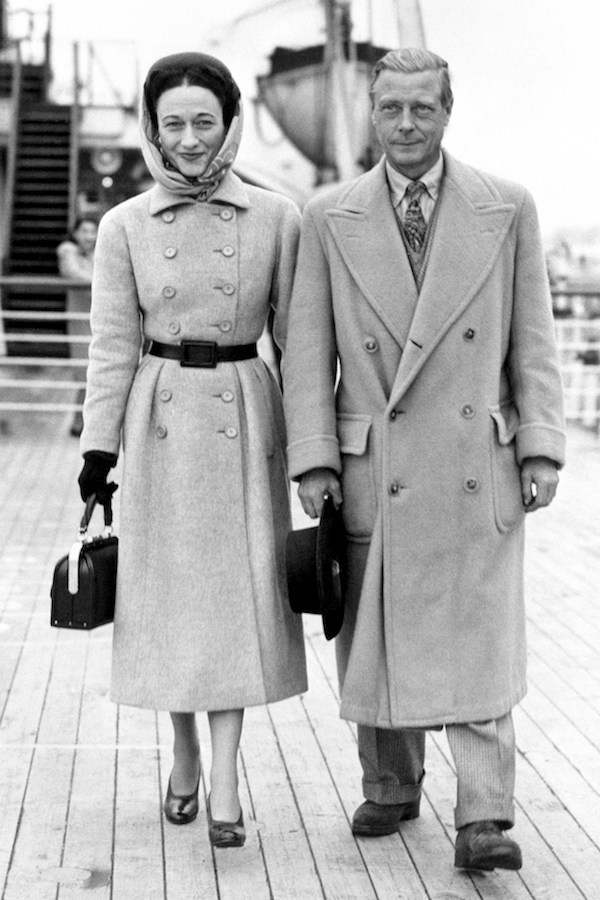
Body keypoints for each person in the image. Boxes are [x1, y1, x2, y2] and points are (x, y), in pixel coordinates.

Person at [282, 48, 566, 872]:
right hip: (376, 463)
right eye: (392, 109)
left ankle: (485, 815)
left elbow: (534, 344)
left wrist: (542, 445)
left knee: (478, 636)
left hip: (478, 458)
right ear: (371, 111)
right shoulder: (328, 216)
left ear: (449, 111)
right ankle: (391, 783)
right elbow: (307, 355)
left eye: (423, 110)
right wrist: (314, 460)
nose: (407, 125)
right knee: (377, 626)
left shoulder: (506, 207)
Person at [77, 52, 307, 848]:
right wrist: (97, 453)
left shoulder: (279, 218)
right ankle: (181, 752)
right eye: (172, 122)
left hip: (245, 415)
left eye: (203, 121)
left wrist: (312, 452)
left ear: (230, 124)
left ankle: (229, 775)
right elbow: (111, 347)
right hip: (160, 418)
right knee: (170, 598)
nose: (189, 138)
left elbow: (301, 347)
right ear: (152, 128)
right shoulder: (125, 225)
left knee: (234, 600)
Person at [56, 217, 98, 436]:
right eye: (85, 231)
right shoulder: (68, 252)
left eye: (93, 231)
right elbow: (72, 272)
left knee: (97, 373)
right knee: (85, 372)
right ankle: (78, 422)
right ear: (75, 233)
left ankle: (83, 423)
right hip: (80, 322)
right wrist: (102, 281)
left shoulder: (98, 253)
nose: (89, 236)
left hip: (100, 321)